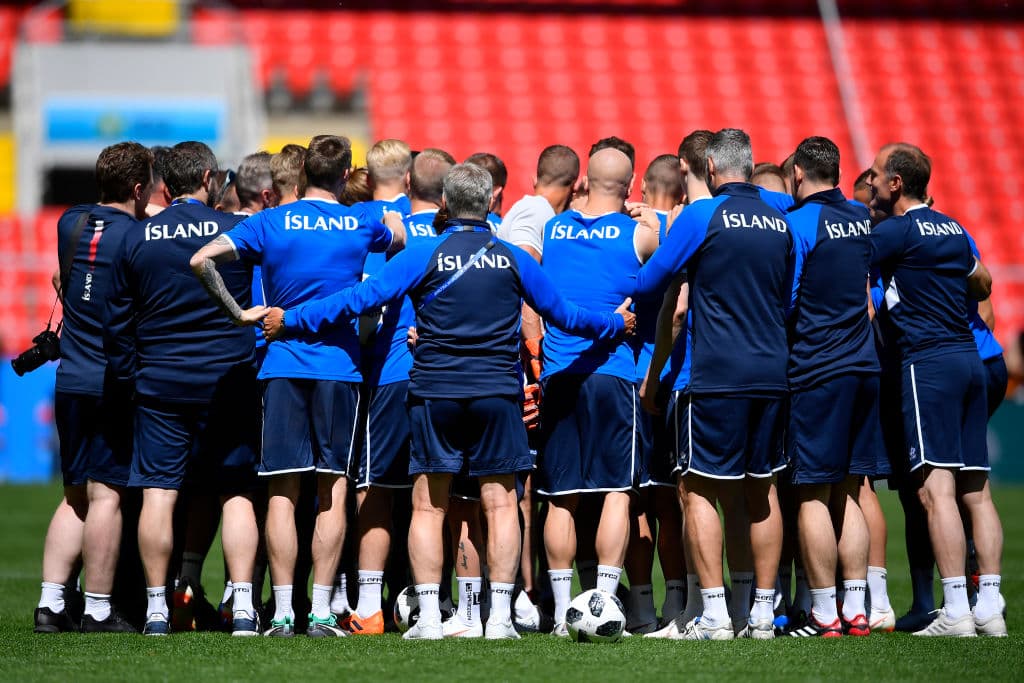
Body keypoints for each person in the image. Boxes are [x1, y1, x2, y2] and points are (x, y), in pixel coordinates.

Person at [260, 163, 636, 640]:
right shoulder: (512, 257)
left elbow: (359, 298)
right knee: (501, 505)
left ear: (444, 204)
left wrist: (291, 319)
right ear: (490, 205)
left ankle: (431, 621)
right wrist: (615, 324)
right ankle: (499, 621)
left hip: (434, 393)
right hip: (496, 394)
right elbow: (565, 315)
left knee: (428, 507)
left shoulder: (423, 252)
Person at [190, 135, 406, 639]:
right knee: (332, 488)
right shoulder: (361, 221)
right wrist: (385, 216)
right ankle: (323, 613)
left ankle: (284, 612)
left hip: (281, 367)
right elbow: (398, 237)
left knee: (282, 490)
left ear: (303, 170)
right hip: (339, 369)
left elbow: (201, 260)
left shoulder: (270, 221)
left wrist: (238, 313)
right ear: (346, 174)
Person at [633, 128, 792, 640]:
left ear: (710, 168)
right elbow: (788, 295)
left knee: (696, 488)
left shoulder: (703, 215)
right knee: (760, 489)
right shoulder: (779, 218)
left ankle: (715, 615)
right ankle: (761, 613)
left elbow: (651, 282)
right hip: (772, 371)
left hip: (715, 374)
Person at [104, 141, 262, 637]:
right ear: (210, 178)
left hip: (160, 382)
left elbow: (116, 321)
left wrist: (131, 377)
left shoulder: (136, 236)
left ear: (164, 184)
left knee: (159, 492)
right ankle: (244, 608)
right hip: (229, 378)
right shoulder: (237, 230)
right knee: (236, 491)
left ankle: (157, 609)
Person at [867, 143, 1005, 637]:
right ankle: (989, 606)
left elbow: (846, 269)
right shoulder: (952, 227)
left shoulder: (895, 231)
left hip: (927, 364)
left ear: (896, 183)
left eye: (877, 175)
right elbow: (983, 283)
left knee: (934, 489)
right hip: (971, 360)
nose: (872, 182)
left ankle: (956, 610)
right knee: (977, 491)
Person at [34, 142, 155, 635]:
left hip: (69, 378)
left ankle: (50, 603)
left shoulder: (71, 221)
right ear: (139, 188)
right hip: (111, 379)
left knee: (74, 497)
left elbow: (62, 278)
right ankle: (99, 608)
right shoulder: (138, 237)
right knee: (107, 496)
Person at [537, 148, 658, 636]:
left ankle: (561, 613)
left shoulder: (552, 229)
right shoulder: (639, 234)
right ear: (630, 185)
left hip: (559, 372)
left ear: (584, 180)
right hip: (613, 374)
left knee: (560, 498)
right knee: (616, 492)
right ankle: (604, 604)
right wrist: (653, 218)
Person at [783, 137, 876, 638]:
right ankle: (856, 608)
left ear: (797, 173)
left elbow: (789, 300)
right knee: (851, 488)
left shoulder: (800, 223)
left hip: (818, 367)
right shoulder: (862, 217)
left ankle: (823, 611)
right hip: (864, 364)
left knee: (812, 492)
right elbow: (870, 287)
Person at [344, 138, 416, 635]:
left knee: (373, 488)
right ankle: (430, 599)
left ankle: (368, 603)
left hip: (381, 372)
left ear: (367, 179)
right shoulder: (431, 219)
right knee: (431, 494)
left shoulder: (361, 222)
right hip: (434, 372)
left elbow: (366, 302)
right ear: (408, 178)